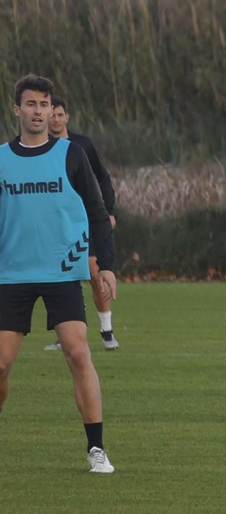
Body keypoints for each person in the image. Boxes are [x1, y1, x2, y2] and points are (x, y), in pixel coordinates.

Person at [0, 75, 118, 472]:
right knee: (0, 364)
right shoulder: (1, 159)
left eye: (44, 104)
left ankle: (96, 449)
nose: (38, 111)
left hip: (62, 272)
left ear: (54, 111)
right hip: (10, 275)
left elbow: (98, 213)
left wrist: (107, 266)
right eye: (30, 104)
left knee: (79, 352)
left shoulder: (71, 155)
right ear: (17, 110)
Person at [44, 96, 119, 351]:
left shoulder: (82, 146)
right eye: (51, 114)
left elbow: (103, 178)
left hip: (86, 220)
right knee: (61, 277)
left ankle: (107, 330)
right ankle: (64, 333)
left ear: (66, 117)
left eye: (59, 114)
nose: (55, 119)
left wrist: (108, 211)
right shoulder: (42, 148)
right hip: (57, 223)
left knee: (93, 272)